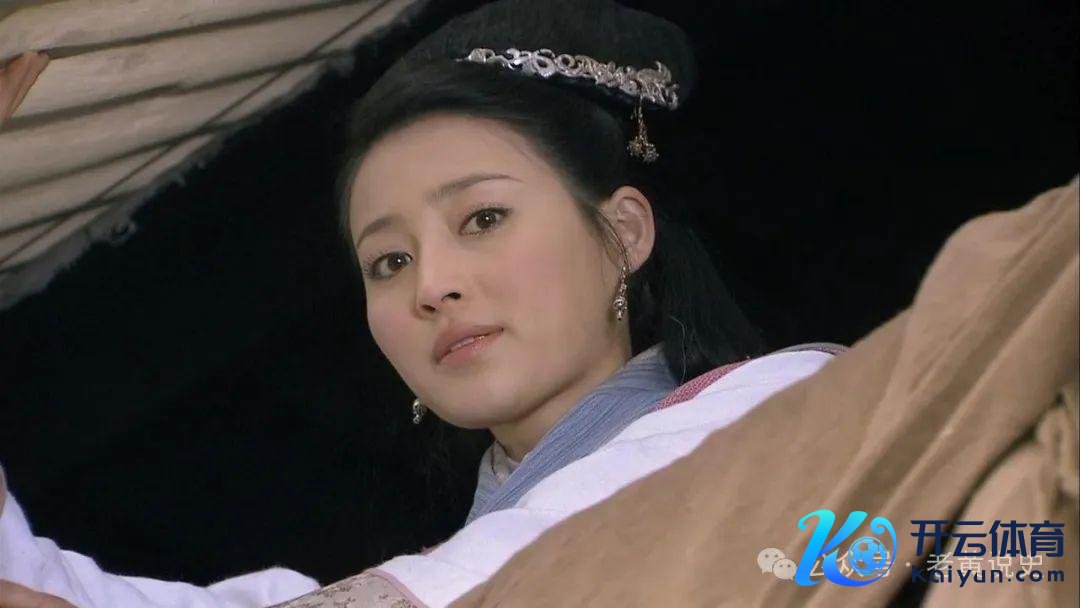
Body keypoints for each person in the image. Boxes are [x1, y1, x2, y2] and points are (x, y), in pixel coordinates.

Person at [1, 1, 852, 606]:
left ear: (624, 233)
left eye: (483, 218)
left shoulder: (783, 405)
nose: (430, 285)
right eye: (389, 261)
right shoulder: (433, 574)